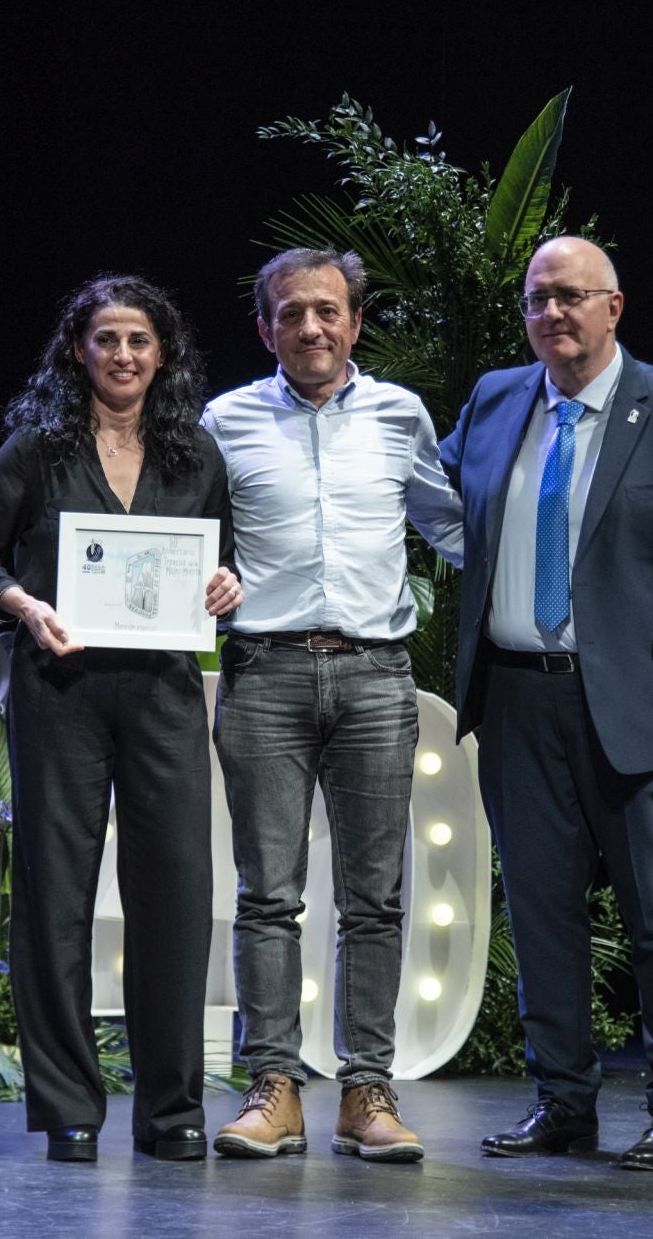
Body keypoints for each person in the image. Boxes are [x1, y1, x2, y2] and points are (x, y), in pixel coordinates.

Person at [438, 236, 653, 1170]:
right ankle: (563, 1102)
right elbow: (434, 499)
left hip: (641, 701)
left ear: (614, 308)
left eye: (572, 297)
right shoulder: (498, 398)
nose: (554, 314)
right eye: (539, 300)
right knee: (543, 912)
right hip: (515, 699)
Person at [0, 274, 244, 1163]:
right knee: (57, 902)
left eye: (139, 342)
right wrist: (18, 602)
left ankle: (170, 1112)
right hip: (61, 690)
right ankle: (70, 1108)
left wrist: (228, 588)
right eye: (106, 339)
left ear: (164, 355)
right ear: (78, 349)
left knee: (179, 900)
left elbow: (219, 565)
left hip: (162, 694)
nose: (122, 356)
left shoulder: (196, 455)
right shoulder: (37, 450)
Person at [201, 247, 463, 1163]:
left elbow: (452, 523)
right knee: (267, 897)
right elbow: (187, 532)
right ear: (265, 326)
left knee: (375, 902)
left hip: (375, 677)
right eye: (291, 313)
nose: (310, 327)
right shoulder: (224, 419)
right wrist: (206, 575)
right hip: (264, 674)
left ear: (354, 321)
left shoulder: (401, 416)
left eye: (327, 311)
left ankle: (367, 1092)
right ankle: (272, 1089)